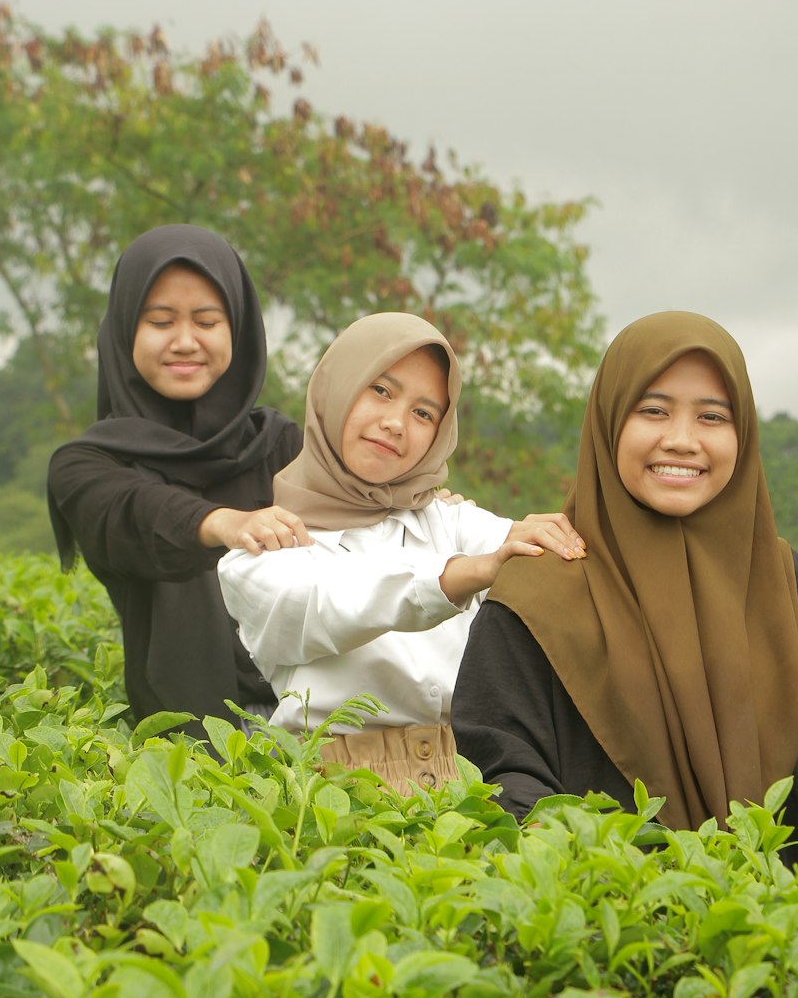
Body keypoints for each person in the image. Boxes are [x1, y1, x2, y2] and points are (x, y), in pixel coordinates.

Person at [451, 310, 798, 875]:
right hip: (610, 936)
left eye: (712, 416)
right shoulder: (538, 596)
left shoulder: (785, 588)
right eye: (652, 410)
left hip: (787, 942)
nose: (681, 440)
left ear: (742, 435)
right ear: (608, 423)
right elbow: (503, 783)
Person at [216, 311, 584, 794]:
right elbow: (332, 602)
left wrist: (547, 539)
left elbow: (534, 556)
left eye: (424, 412)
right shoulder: (261, 554)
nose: (395, 423)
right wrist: (463, 574)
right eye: (381, 391)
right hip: (329, 797)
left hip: (472, 785)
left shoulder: (448, 520)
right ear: (338, 388)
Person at [47, 224, 307, 731]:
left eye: (208, 321)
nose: (185, 342)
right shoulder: (88, 464)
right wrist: (222, 523)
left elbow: (359, 528)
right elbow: (134, 514)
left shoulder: (280, 445)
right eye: (161, 321)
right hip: (187, 741)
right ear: (126, 330)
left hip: (317, 721)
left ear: (238, 329)